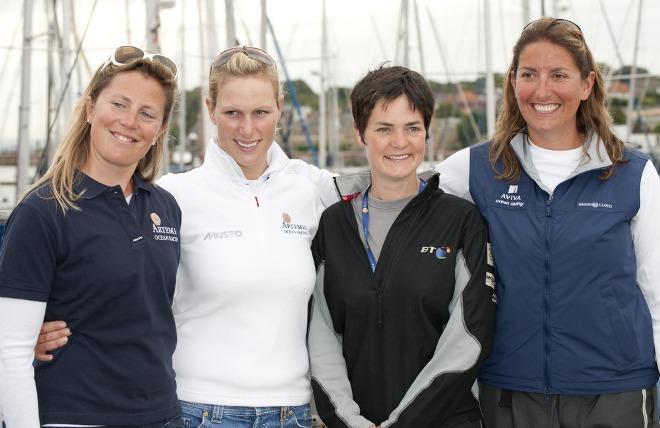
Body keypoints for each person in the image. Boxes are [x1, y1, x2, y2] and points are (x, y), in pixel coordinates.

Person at [36, 46, 337, 427]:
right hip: (197, 411)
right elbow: (108, 275)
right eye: (232, 113)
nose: (247, 129)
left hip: (292, 412)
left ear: (279, 107)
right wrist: (34, 331)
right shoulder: (174, 196)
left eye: (261, 112)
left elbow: (396, 197)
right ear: (210, 110)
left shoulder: (310, 191)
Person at [436, 17, 660, 427]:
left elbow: (656, 289)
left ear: (587, 84)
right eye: (529, 75)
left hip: (614, 391)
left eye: (559, 75)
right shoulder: (473, 170)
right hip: (510, 389)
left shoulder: (633, 174)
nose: (542, 90)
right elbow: (396, 194)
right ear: (513, 81)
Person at [0, 46, 182, 427]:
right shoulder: (43, 211)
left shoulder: (165, 207)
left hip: (162, 415)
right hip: (76, 414)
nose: (130, 121)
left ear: (160, 129)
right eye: (119, 104)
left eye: (147, 113)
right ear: (89, 109)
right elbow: (10, 353)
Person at [309, 65, 496, 428]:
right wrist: (349, 421)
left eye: (412, 128)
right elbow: (321, 336)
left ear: (426, 133)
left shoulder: (462, 221)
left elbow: (470, 338)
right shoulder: (333, 224)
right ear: (360, 134)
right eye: (384, 129)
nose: (400, 142)